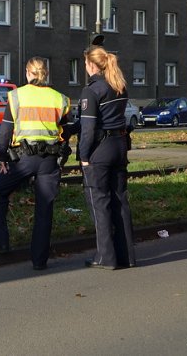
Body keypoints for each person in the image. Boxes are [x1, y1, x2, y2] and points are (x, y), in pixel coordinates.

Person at [0, 57, 71, 271]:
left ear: (28, 73)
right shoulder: (60, 99)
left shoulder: (17, 96)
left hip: (23, 159)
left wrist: (3, 158)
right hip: (50, 161)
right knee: (45, 209)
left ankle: (1, 242)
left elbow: (5, 131)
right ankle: (39, 260)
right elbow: (66, 131)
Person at [78, 44, 136, 270]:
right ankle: (127, 256)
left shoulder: (91, 90)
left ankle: (105, 257)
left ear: (91, 64)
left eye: (84, 63)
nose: (84, 66)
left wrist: (83, 156)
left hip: (99, 151)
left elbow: (89, 129)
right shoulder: (119, 85)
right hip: (119, 146)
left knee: (99, 203)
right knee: (120, 200)